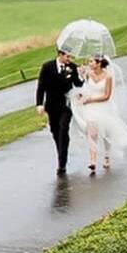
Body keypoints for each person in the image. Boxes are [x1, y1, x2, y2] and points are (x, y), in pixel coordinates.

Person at [70, 54, 127, 173]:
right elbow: (83, 88)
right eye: (89, 61)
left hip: (104, 107)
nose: (89, 64)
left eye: (92, 61)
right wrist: (81, 81)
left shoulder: (108, 77)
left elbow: (106, 96)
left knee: (107, 133)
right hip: (90, 109)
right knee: (92, 134)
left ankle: (106, 156)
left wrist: (91, 99)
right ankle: (93, 161)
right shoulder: (88, 74)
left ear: (99, 63)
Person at [36, 47, 84, 175]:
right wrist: (39, 104)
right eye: (67, 57)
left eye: (71, 57)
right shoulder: (47, 67)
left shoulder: (72, 67)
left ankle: (62, 163)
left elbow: (78, 84)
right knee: (55, 131)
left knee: (64, 129)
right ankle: (61, 151)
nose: (69, 59)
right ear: (60, 55)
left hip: (66, 104)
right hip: (51, 105)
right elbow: (41, 86)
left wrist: (82, 76)